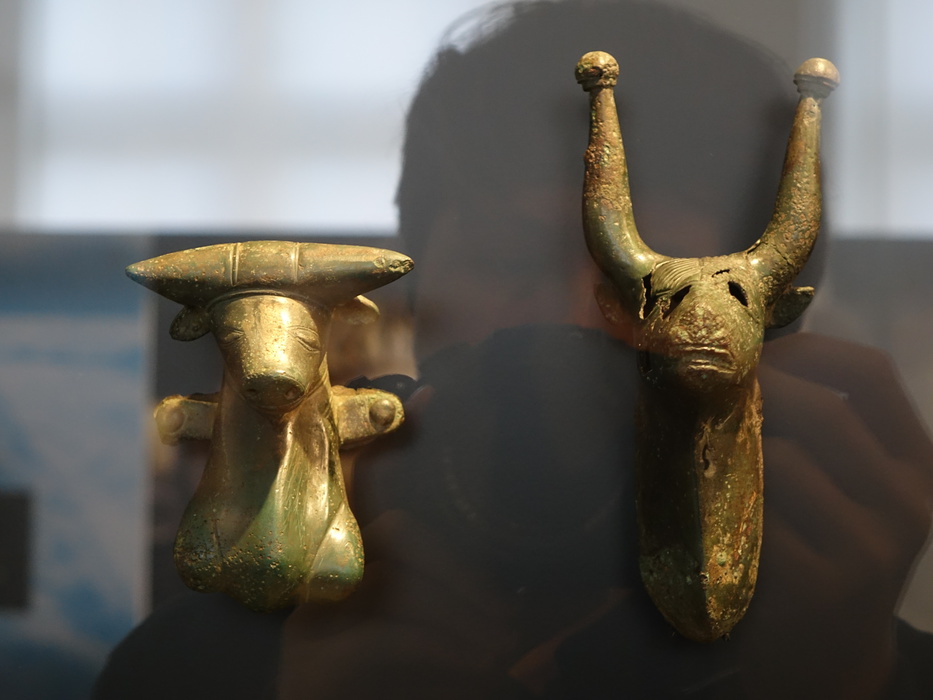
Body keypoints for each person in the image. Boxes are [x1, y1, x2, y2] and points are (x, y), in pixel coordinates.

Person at [97, 2, 933, 698]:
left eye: (659, 285)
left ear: (773, 336)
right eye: (504, 261)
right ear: (413, 303)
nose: (572, 320)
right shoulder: (194, 669)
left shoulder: (836, 647)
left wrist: (845, 678)